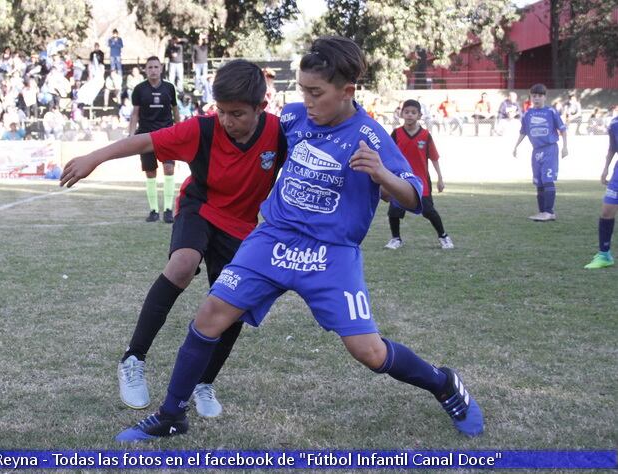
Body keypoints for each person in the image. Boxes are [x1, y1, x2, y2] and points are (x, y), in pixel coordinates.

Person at [112, 35, 483, 443]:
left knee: (369, 352)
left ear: (347, 92)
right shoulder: (293, 119)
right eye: (302, 90)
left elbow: (415, 198)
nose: (305, 100)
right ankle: (171, 414)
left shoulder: (371, 137)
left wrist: (383, 175)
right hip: (272, 238)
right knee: (209, 315)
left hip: (330, 254)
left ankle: (443, 383)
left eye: (315, 92)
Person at [61, 59, 286, 417]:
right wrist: (95, 157)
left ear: (261, 107)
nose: (227, 121)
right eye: (222, 111)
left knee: (232, 302)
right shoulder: (202, 129)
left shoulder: (281, 132)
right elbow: (145, 140)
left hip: (242, 225)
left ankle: (204, 382)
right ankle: (133, 359)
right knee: (182, 264)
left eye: (237, 114)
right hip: (201, 208)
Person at [384, 100, 453, 250]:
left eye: (413, 112)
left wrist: (440, 178)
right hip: (400, 179)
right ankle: (396, 239)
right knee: (394, 211)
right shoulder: (396, 134)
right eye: (407, 112)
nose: (409, 115)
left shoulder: (425, 135)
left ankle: (443, 236)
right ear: (402, 114)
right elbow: (387, 154)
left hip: (421, 182)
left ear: (419, 115)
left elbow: (434, 157)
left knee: (429, 211)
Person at [130, 56, 179, 223]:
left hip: (167, 135)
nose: (153, 70)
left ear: (161, 68)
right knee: (150, 173)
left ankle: (168, 210)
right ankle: (153, 210)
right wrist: (131, 135)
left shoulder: (169, 88)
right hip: (146, 136)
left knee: (169, 169)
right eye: (150, 67)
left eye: (156, 67)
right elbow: (135, 113)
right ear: (145, 69)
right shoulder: (139, 89)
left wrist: (180, 130)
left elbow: (175, 110)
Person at [513, 83, 569, 222]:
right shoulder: (528, 114)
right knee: (539, 182)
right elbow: (523, 131)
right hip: (536, 151)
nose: (536, 98)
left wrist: (565, 147)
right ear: (531, 97)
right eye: (534, 96)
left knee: (547, 179)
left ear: (544, 97)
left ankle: (549, 212)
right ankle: (542, 212)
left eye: (539, 96)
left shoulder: (551, 112)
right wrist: (516, 146)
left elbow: (562, 129)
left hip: (549, 149)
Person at [583, 112, 618, 269]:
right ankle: (604, 255)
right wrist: (606, 169)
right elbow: (612, 147)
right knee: (606, 211)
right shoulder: (615, 123)